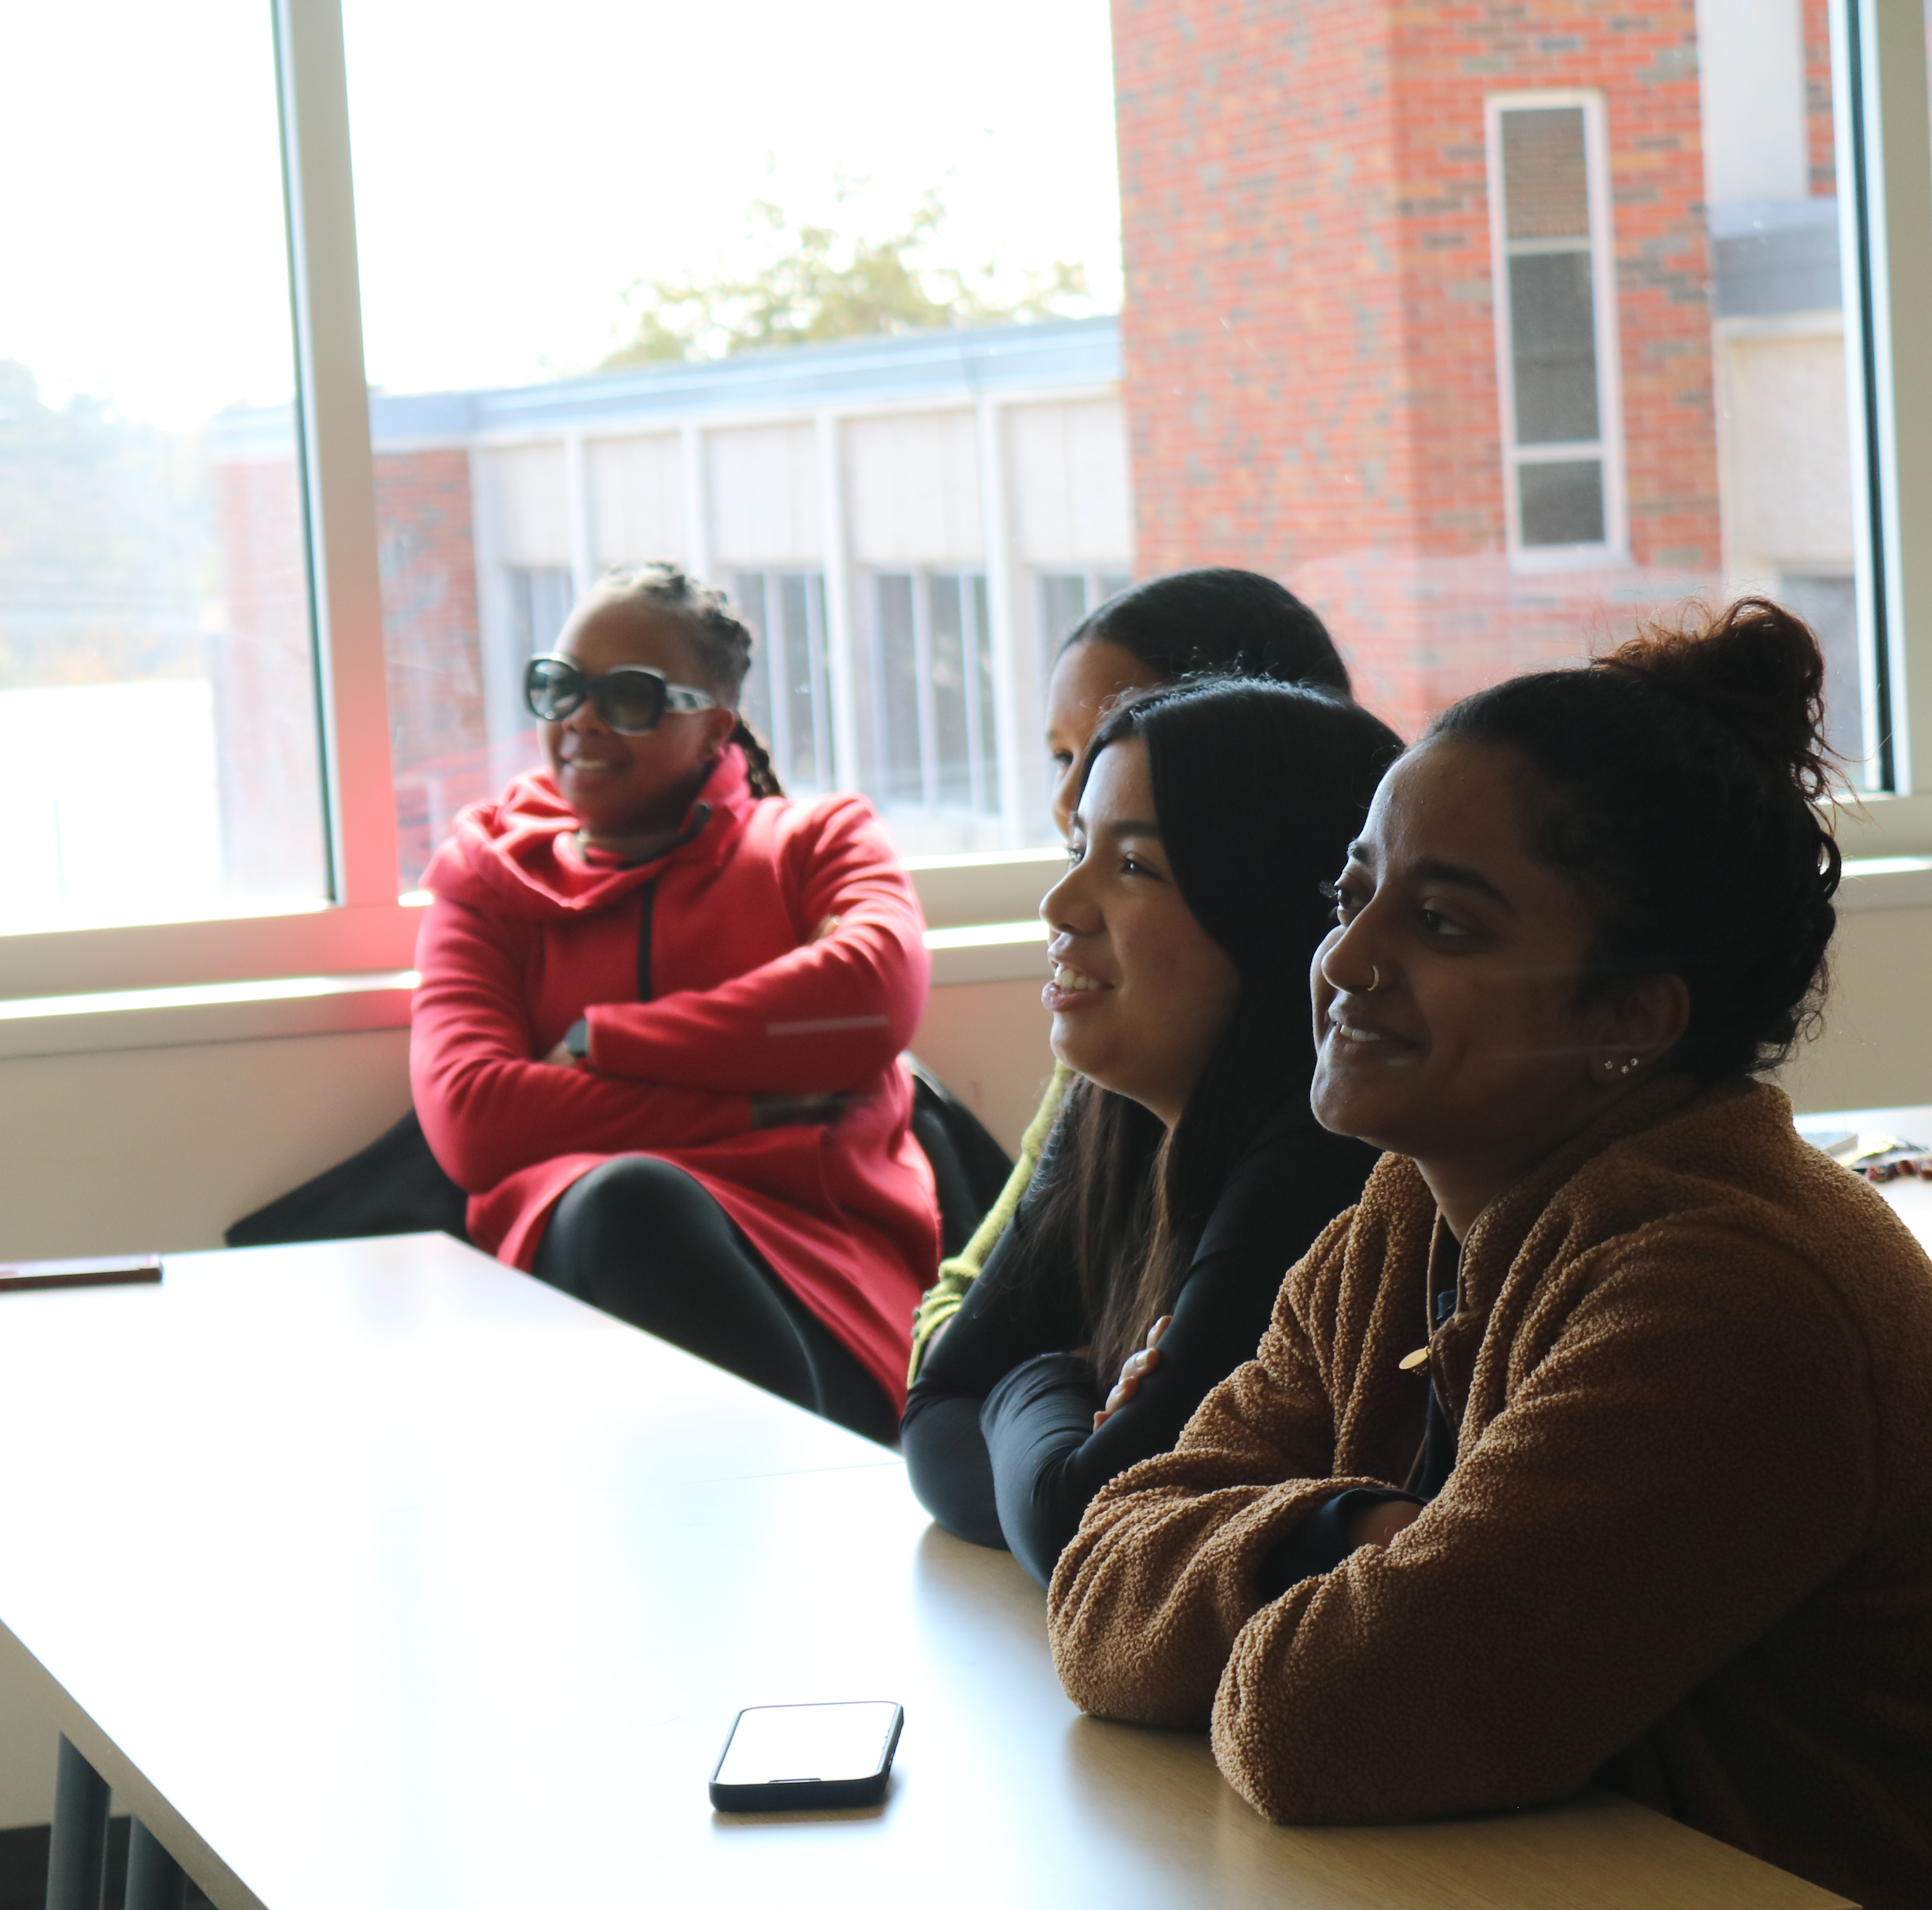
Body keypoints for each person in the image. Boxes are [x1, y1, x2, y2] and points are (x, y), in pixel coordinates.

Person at [1045, 600, 1932, 1910]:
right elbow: (1097, 1581)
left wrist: (1303, 1568)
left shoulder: (1736, 1292)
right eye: (1354, 896)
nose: (1343, 963)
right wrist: (1350, 1530)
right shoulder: (1406, 1213)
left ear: (1632, 1020)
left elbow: (1334, 1723)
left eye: (1443, 920)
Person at [409, 562, 937, 1443]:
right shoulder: (490, 880)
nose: (580, 718)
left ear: (713, 728)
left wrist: (603, 1040)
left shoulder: (817, 842)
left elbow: (868, 1000)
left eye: (630, 697)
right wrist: (761, 1099)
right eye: (560, 686)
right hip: (585, 1263)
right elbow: (472, 1118)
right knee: (637, 1202)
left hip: (819, 1257)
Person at [903, 679, 1400, 1580]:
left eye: (1133, 868)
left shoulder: (1323, 1158)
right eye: (1076, 849)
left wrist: (1037, 1377)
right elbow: (937, 1411)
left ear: (1274, 911)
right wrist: (1070, 1403)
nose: (1061, 906)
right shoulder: (1115, 1111)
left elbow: (1083, 1519)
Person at [910, 569, 1358, 1377]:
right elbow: (948, 1349)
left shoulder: (1319, 1143)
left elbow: (1078, 1477)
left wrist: (1030, 1383)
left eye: (1127, 734)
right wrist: (1052, 1382)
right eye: (1063, 756)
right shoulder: (1116, 1053)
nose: (1077, 791)